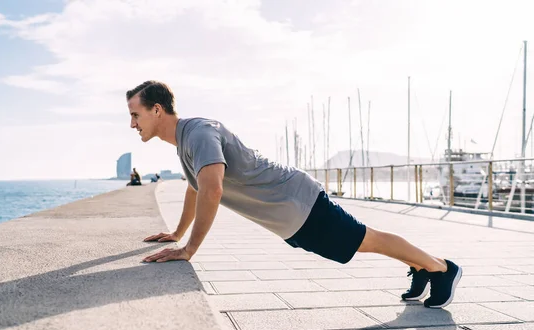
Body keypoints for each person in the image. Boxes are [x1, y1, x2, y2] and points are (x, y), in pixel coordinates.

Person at [127, 80, 462, 309]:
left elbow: (212, 190)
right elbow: (196, 187)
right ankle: (421, 266)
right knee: (363, 243)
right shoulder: (187, 141)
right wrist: (177, 232)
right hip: (289, 216)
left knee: (366, 239)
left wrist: (189, 249)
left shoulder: (199, 133)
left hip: (298, 202)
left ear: (157, 110)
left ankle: (441, 268)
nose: (132, 124)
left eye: (135, 114)